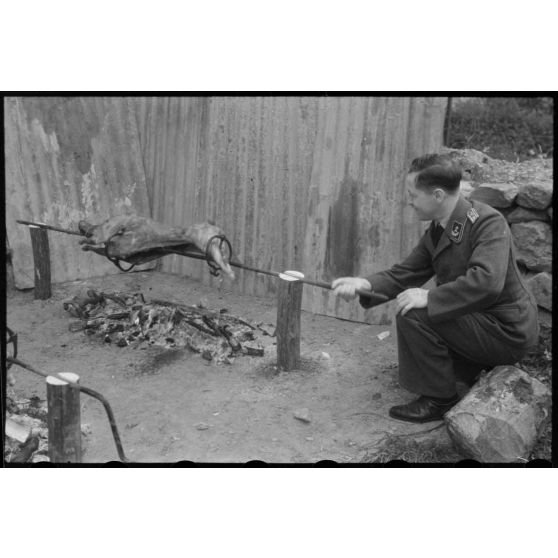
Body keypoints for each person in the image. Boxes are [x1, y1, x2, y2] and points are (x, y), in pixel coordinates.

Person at [331, 153, 539, 423]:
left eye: (413, 194)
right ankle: (466, 368)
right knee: (418, 307)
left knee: (413, 313)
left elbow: (487, 281)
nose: (409, 201)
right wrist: (364, 284)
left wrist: (429, 296)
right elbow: (407, 272)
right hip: (481, 321)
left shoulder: (488, 222)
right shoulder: (441, 227)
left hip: (505, 331)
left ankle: (440, 398)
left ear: (438, 195)